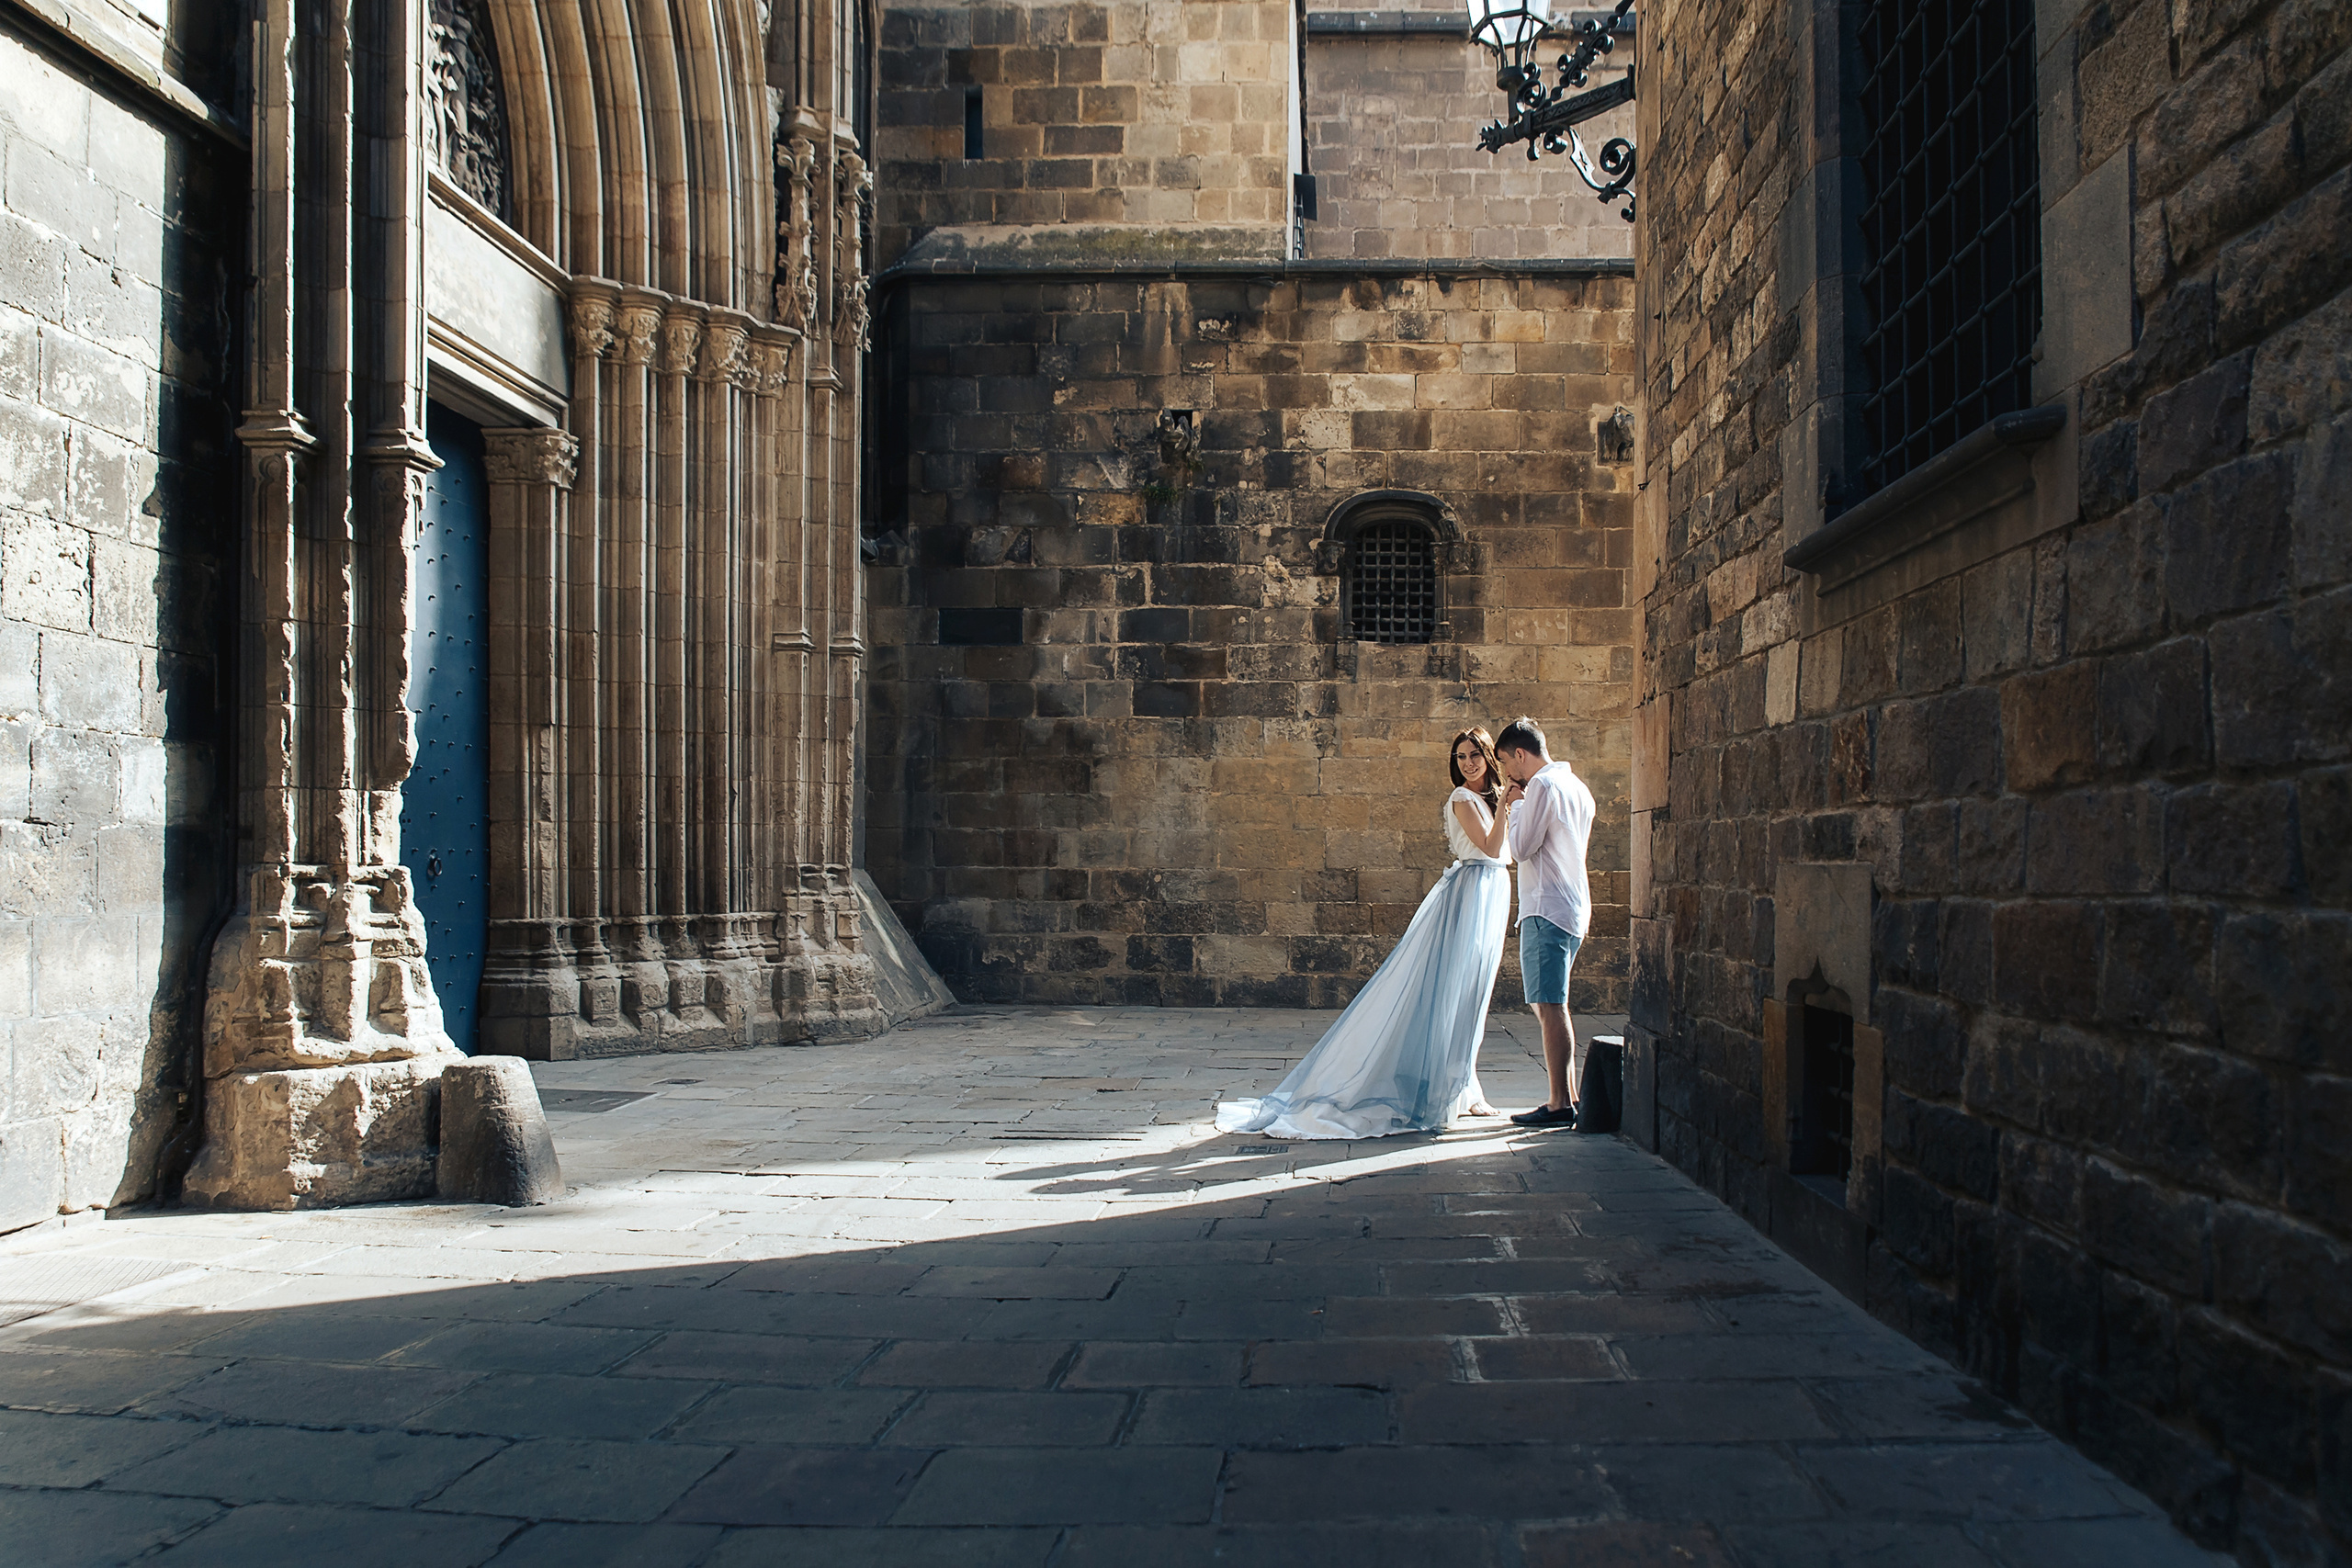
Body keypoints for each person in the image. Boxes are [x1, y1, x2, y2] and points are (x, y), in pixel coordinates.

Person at [1216, 728, 1517, 1139]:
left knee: (1474, 996)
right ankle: (1449, 1090)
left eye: (1474, 755)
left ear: (1488, 757)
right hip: (1472, 892)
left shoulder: (1491, 797)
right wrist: (1506, 808)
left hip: (1493, 891)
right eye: (1461, 756)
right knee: (1454, 993)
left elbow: (1511, 852)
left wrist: (1506, 803)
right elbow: (1490, 845)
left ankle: (1466, 1087)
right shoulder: (1462, 798)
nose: (1468, 763)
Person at [1493, 716, 1595, 1129]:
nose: (1505, 774)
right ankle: (1567, 1095)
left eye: (1505, 763)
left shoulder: (1542, 787)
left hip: (1546, 908)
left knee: (1550, 1006)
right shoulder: (1577, 787)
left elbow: (1520, 847)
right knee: (1550, 1002)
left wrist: (1515, 805)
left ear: (1521, 754)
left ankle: (1557, 1105)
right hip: (1572, 906)